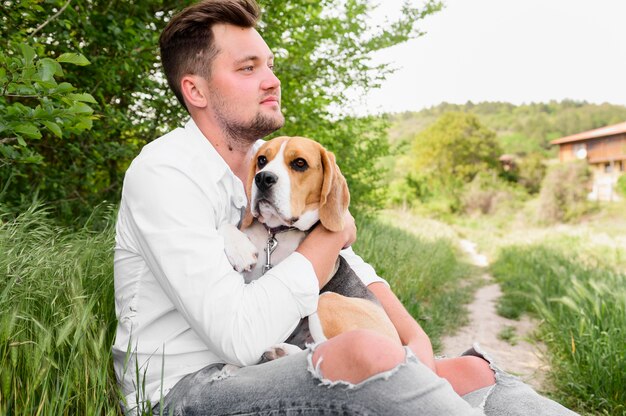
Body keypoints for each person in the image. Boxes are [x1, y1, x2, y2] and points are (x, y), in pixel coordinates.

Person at [112, 1, 578, 415]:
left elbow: (354, 274)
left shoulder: (267, 158)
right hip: (190, 390)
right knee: (364, 353)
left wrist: (418, 352)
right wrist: (332, 237)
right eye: (248, 68)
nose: (272, 81)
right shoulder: (165, 173)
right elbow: (239, 337)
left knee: (472, 372)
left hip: (274, 363)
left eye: (270, 65)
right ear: (196, 91)